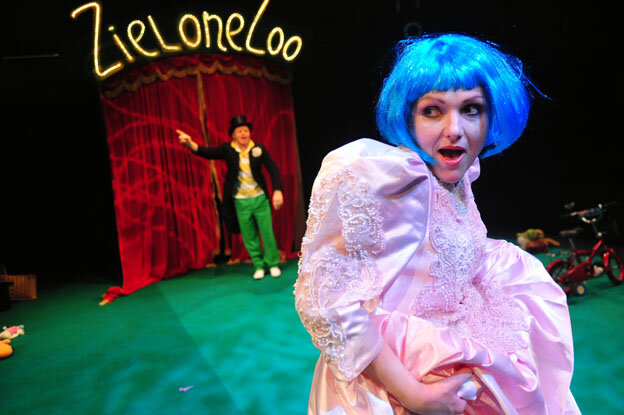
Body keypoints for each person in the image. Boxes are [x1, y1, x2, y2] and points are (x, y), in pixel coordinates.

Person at [294, 33, 580, 415]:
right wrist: (415, 395)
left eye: (471, 109)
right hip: (395, 382)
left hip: (458, 358)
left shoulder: (457, 178)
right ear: (408, 118)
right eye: (433, 111)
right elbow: (326, 301)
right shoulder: (391, 179)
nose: (454, 128)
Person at [177, 115, 283, 280]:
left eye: (246, 130)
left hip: (260, 199)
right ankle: (258, 265)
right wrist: (190, 143)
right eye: (239, 131)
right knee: (249, 235)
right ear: (233, 135)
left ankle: (273, 263)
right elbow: (208, 153)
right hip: (241, 201)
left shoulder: (258, 148)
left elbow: (273, 168)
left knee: (267, 232)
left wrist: (277, 190)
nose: (243, 134)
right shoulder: (228, 149)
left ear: (250, 133)